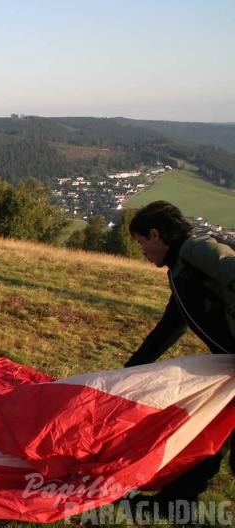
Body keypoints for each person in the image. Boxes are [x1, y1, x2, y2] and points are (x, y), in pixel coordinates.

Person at [124, 200, 235, 509]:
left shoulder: (196, 250)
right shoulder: (181, 268)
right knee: (210, 428)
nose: (142, 250)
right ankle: (178, 498)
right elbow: (171, 327)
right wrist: (128, 371)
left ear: (156, 235)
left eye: (142, 241)